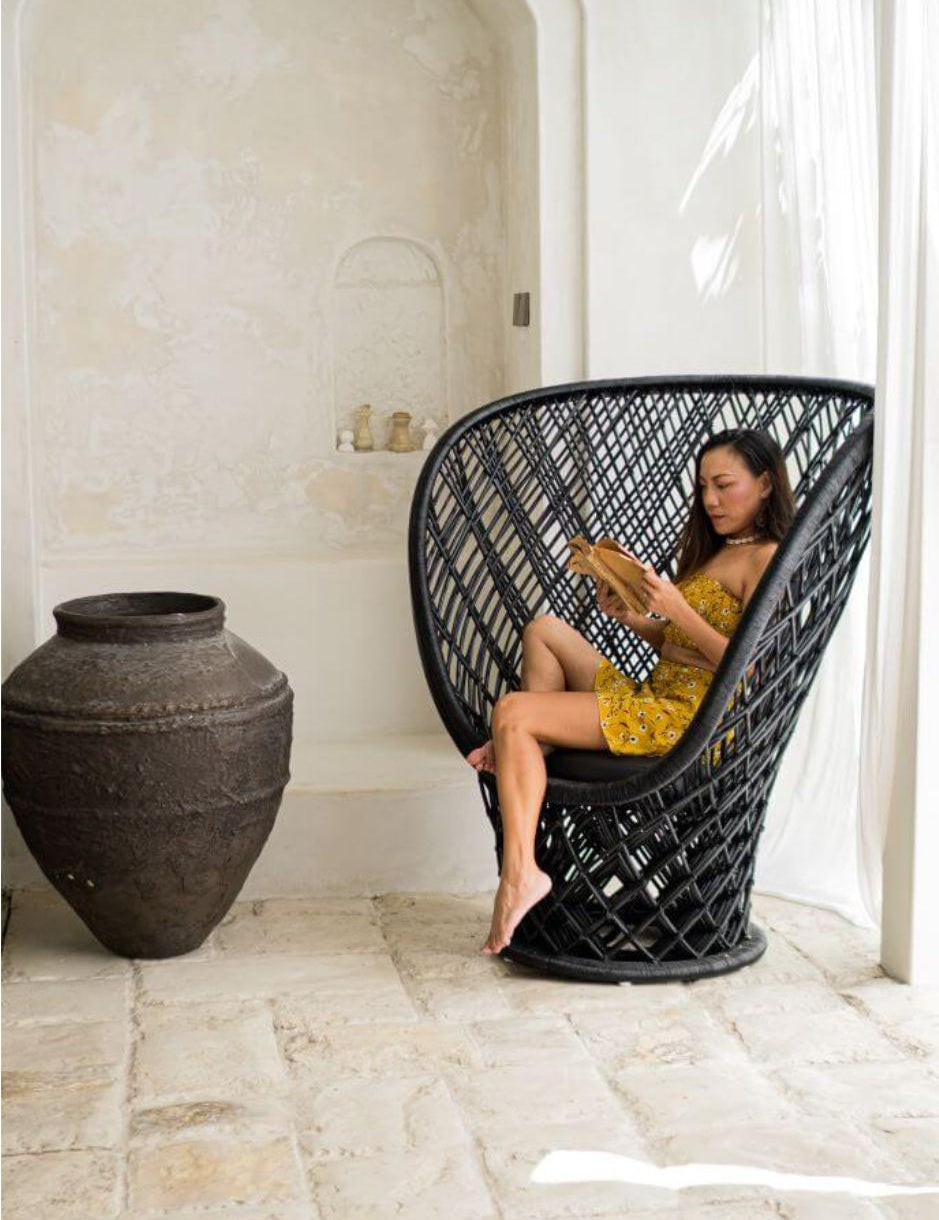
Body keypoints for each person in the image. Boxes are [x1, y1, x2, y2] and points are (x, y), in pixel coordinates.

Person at [465, 428, 796, 956]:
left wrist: (676, 607)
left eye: (724, 484)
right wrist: (634, 619)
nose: (710, 499)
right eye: (703, 485)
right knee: (545, 630)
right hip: (655, 700)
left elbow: (752, 669)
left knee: (513, 710)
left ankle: (521, 871)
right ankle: (534, 744)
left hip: (691, 723)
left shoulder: (768, 558)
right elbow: (683, 647)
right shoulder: (718, 553)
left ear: (764, 484)